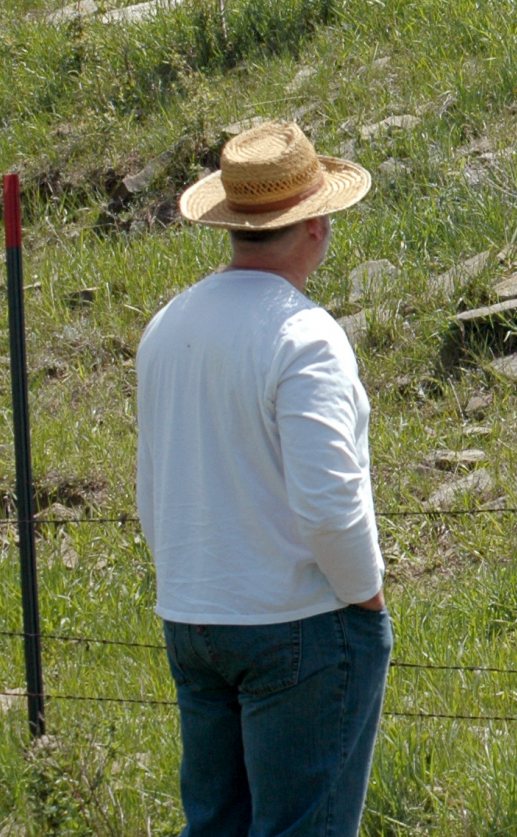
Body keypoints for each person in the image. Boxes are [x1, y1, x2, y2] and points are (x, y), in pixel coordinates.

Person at [136, 120, 389, 837]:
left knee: (215, 821)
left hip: (195, 613)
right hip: (299, 620)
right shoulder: (304, 337)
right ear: (314, 225)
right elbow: (329, 500)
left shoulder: (167, 327)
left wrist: (190, 584)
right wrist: (364, 597)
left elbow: (155, 485)